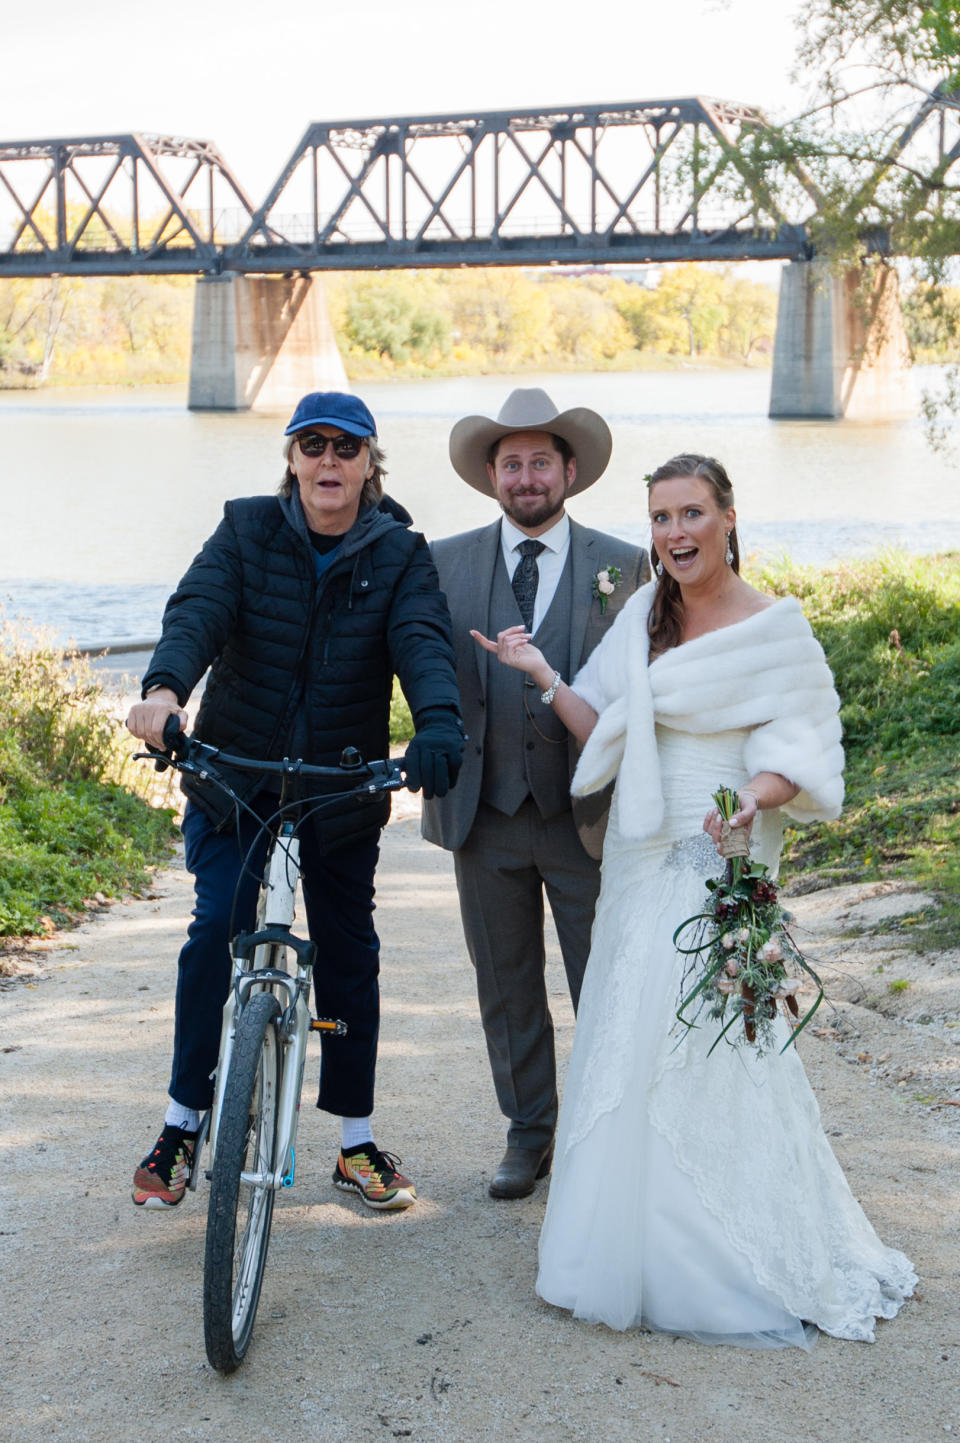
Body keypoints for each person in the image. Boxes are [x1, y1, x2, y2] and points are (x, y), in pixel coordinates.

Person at [474, 452, 915, 1344]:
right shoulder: (642, 616)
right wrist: (542, 677)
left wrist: (756, 798)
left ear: (727, 517)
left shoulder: (775, 629)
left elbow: (799, 748)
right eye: (660, 518)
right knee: (627, 1037)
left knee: (714, 1047)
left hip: (719, 848)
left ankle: (734, 1252)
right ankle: (624, 1249)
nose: (674, 533)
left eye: (690, 514)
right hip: (639, 855)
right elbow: (604, 729)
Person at [126, 391, 464, 1213]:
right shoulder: (244, 528)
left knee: (349, 951)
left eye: (346, 449)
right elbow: (197, 611)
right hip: (234, 775)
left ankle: (354, 1140)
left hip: (338, 787)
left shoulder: (399, 553)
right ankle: (180, 1125)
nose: (328, 461)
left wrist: (439, 724)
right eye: (312, 445)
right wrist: (165, 693)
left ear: (369, 465)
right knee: (217, 930)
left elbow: (420, 640)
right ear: (290, 458)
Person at [421, 388, 648, 1200]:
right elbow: (418, 669)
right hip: (482, 812)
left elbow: (647, 688)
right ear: (490, 476)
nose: (526, 477)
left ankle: (612, 1131)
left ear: (570, 470)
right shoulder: (441, 561)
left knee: (608, 982)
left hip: (586, 815)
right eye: (510, 463)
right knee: (506, 987)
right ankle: (529, 1135)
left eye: (539, 462)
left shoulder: (625, 562)